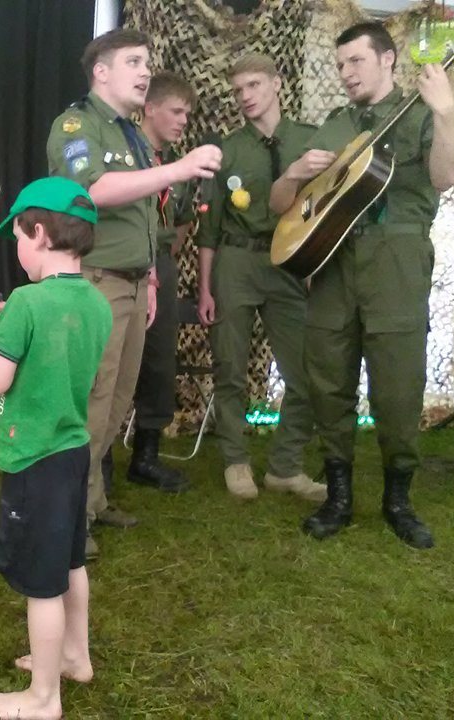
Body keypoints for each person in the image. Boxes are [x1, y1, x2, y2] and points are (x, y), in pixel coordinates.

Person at [269, 22, 454, 548]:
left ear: (388, 60)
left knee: (398, 390)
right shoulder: (335, 124)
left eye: (355, 61)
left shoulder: (422, 114)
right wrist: (292, 174)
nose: (346, 73)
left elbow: (445, 177)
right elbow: (283, 206)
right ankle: (339, 497)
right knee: (328, 383)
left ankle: (398, 500)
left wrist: (445, 113)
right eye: (340, 65)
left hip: (396, 265)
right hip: (333, 268)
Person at [47, 28, 222, 557]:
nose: (146, 72)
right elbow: (93, 191)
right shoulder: (76, 125)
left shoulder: (131, 137)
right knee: (91, 404)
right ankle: (66, 519)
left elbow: (146, 214)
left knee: (117, 400)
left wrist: (148, 277)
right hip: (95, 281)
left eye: (148, 62)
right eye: (134, 62)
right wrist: (181, 167)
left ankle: (93, 503)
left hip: (130, 282)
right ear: (101, 70)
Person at [0, 177, 111, 720]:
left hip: (33, 459)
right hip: (73, 451)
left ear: (39, 232)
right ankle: (76, 655)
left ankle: (43, 698)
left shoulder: (25, 304)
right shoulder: (98, 304)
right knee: (71, 561)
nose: (18, 249)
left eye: (19, 238)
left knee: (41, 584)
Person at [196, 53, 326, 502]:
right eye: (238, 91)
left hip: (290, 263)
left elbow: (326, 209)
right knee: (230, 367)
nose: (245, 97)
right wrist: (206, 287)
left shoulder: (311, 142)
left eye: (253, 85)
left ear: (276, 82)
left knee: (305, 371)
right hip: (237, 261)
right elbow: (208, 228)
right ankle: (235, 459)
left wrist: (313, 266)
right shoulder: (227, 149)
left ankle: (285, 466)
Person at [126, 71, 197, 494]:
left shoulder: (180, 167)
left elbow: (184, 221)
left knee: (158, 360)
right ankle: (97, 460)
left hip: (161, 266)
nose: (183, 120)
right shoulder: (123, 155)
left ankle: (145, 456)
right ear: (149, 108)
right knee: (112, 360)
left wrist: (162, 262)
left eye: (187, 113)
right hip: (121, 262)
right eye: (176, 111)